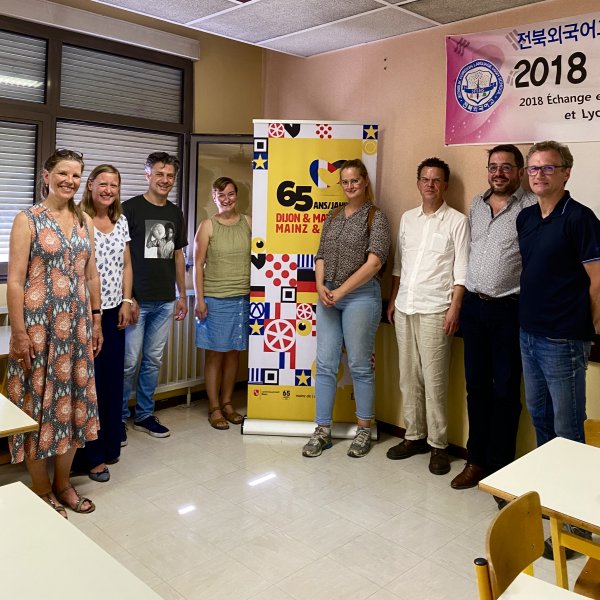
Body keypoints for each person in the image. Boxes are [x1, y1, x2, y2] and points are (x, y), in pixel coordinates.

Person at [6, 149, 101, 517]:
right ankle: (41, 488)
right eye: (63, 173)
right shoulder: (27, 219)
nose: (70, 181)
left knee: (73, 407)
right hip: (38, 330)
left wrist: (95, 319)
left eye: (76, 176)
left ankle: (64, 484)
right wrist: (18, 332)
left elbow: (90, 274)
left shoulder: (84, 221)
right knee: (36, 408)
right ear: (47, 175)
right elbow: (14, 281)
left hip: (76, 331)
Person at [518, 140, 600, 559]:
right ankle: (550, 510)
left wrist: (584, 327)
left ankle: (575, 529)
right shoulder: (527, 218)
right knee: (542, 421)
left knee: (568, 432)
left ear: (566, 172)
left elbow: (597, 281)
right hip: (528, 334)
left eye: (548, 168)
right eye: (533, 168)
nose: (539, 175)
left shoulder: (581, 219)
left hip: (563, 340)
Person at [451, 145, 536, 492]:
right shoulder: (476, 204)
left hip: (508, 310)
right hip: (474, 307)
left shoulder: (531, 207)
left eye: (506, 167)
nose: (498, 173)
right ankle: (476, 460)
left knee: (504, 392)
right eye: (493, 167)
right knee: (476, 388)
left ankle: (500, 469)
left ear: (519, 171)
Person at [386, 157, 469, 475]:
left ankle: (439, 445)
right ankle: (414, 436)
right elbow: (398, 265)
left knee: (435, 381)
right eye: (425, 179)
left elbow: (461, 270)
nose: (430, 184)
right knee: (408, 378)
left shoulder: (457, 222)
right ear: (418, 182)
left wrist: (455, 307)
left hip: (437, 309)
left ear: (444, 185)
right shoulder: (408, 219)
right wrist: (393, 300)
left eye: (436, 180)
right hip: (405, 306)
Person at [302, 158, 390, 458]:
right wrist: (320, 286)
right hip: (329, 297)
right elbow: (321, 254)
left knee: (359, 365)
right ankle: (322, 431)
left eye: (355, 180)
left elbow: (375, 262)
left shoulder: (376, 217)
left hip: (360, 297)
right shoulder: (334, 214)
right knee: (325, 364)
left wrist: (340, 291)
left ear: (365, 181)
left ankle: (364, 430)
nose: (350, 185)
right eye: (345, 181)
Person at [72, 165, 133, 482]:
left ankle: (109, 446)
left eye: (114, 185)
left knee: (111, 383)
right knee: (88, 386)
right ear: (91, 185)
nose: (108, 190)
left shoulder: (120, 220)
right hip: (85, 314)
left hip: (113, 314)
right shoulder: (78, 217)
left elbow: (126, 264)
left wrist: (127, 300)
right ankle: (89, 456)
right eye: (103, 183)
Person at [121, 152, 188, 442]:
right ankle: (119, 417)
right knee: (128, 361)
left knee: (152, 361)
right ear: (147, 174)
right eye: (159, 174)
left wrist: (182, 295)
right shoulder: (129, 209)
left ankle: (145, 415)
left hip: (165, 300)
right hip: (137, 300)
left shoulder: (175, 213)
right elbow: (120, 258)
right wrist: (128, 297)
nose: (165, 180)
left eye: (170, 175)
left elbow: (177, 255)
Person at [193, 177, 251, 429]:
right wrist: (200, 299)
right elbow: (197, 265)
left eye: (230, 194)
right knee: (215, 354)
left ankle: (228, 403)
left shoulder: (249, 223)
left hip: (242, 298)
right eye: (221, 195)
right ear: (214, 198)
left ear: (236, 195)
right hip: (215, 299)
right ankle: (214, 407)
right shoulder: (207, 226)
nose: (226, 199)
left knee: (234, 353)